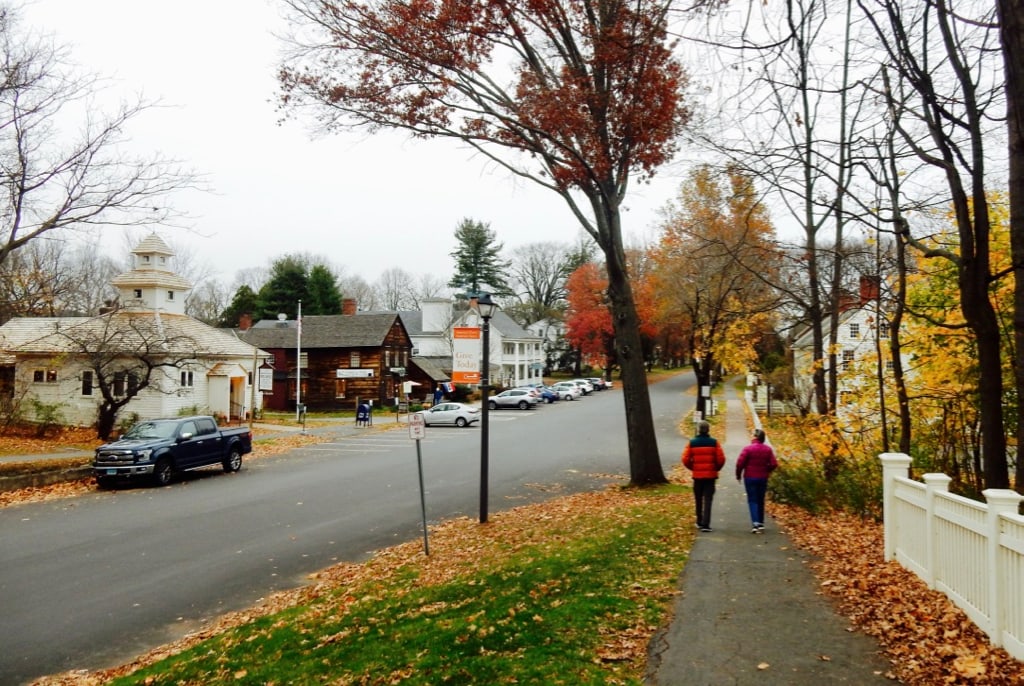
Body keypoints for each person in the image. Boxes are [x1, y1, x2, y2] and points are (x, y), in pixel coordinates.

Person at [682, 420, 726, 532]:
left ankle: (699, 521)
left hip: (697, 476)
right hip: (710, 476)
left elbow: (685, 459)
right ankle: (706, 524)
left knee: (698, 498)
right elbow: (721, 459)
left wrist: (693, 467)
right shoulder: (714, 443)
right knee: (708, 499)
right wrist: (716, 468)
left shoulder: (692, 443)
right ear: (708, 430)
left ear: (698, 429)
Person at [736, 428, 778, 534]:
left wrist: (738, 475)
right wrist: (767, 470)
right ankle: (761, 523)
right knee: (760, 499)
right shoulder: (767, 450)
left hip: (750, 477)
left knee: (752, 500)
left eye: (752, 435)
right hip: (762, 477)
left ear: (755, 437)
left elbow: (740, 463)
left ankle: (755, 523)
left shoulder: (748, 449)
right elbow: (774, 464)